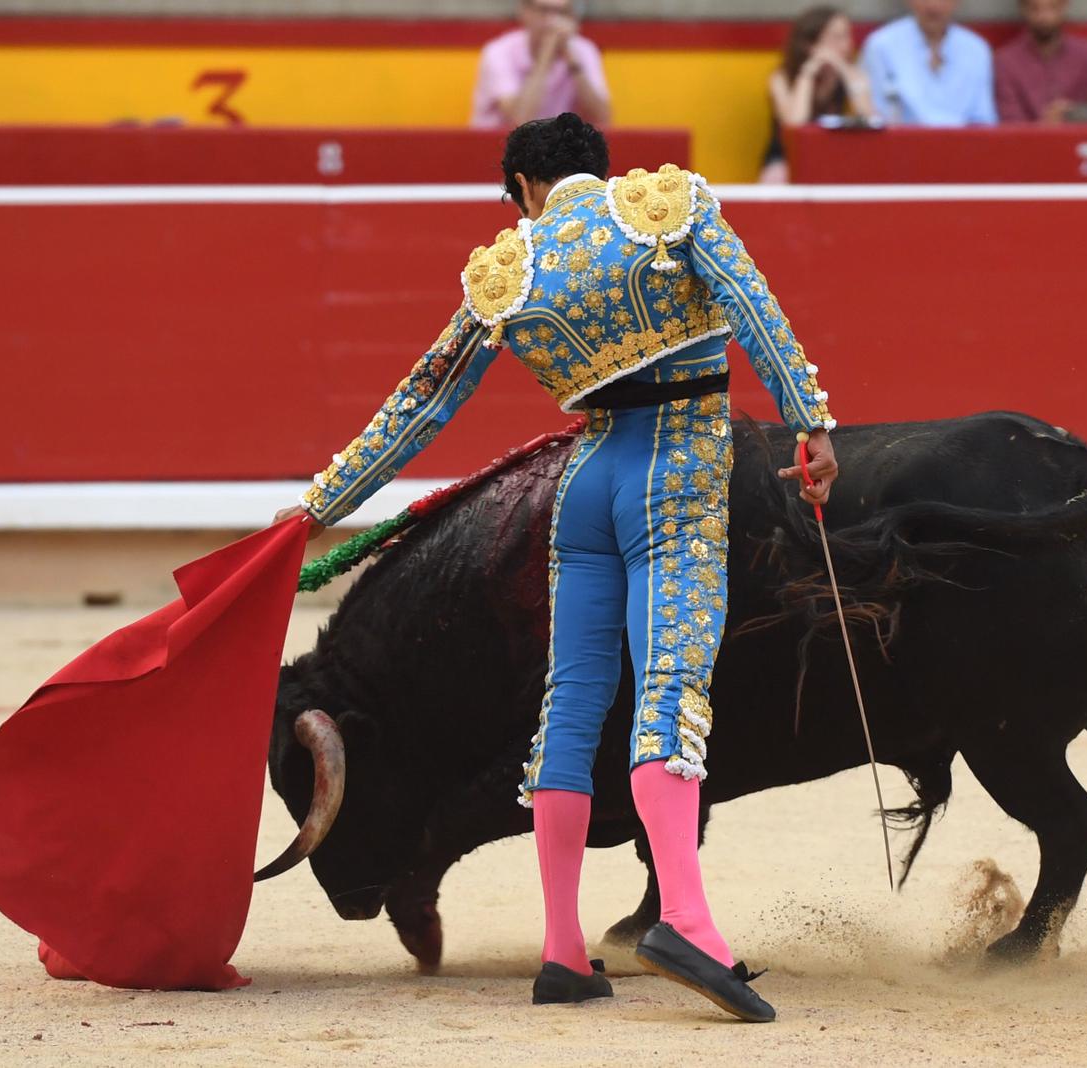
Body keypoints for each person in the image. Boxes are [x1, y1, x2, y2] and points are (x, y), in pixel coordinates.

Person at [276, 114, 838, 1022]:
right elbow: (754, 308)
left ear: (525, 189)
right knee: (670, 688)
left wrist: (318, 506)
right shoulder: (667, 205)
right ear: (597, 170)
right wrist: (810, 423)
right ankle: (688, 921)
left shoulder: (508, 270)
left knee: (571, 704)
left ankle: (563, 950)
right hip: (678, 468)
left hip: (586, 483)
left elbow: (419, 404)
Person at [760, 6, 879, 183]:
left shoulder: (853, 77)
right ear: (810, 44)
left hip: (834, 159)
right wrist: (808, 74)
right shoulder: (781, 78)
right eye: (836, 38)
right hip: (786, 162)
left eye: (847, 36)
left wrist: (844, 70)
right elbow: (795, 124)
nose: (846, 45)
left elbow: (871, 120)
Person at [470, 0, 611, 129]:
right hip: (500, 149)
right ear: (524, 12)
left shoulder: (584, 50)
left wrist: (572, 60)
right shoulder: (498, 52)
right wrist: (546, 55)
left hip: (559, 150)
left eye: (562, 12)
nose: (553, 21)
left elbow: (602, 117)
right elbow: (520, 120)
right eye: (544, 10)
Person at [860, 0, 997, 127]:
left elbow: (984, 120)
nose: (933, 6)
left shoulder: (976, 49)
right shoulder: (881, 46)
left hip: (965, 148)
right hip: (901, 147)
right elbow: (877, 119)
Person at [994, 0, 1087, 124]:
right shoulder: (1005, 63)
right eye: (1034, 8)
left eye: (1052, 7)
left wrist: (1072, 114)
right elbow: (1010, 128)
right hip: (1031, 144)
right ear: (1023, 8)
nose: (1043, 17)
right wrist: (1046, 124)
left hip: (1085, 142)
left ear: (1064, 6)